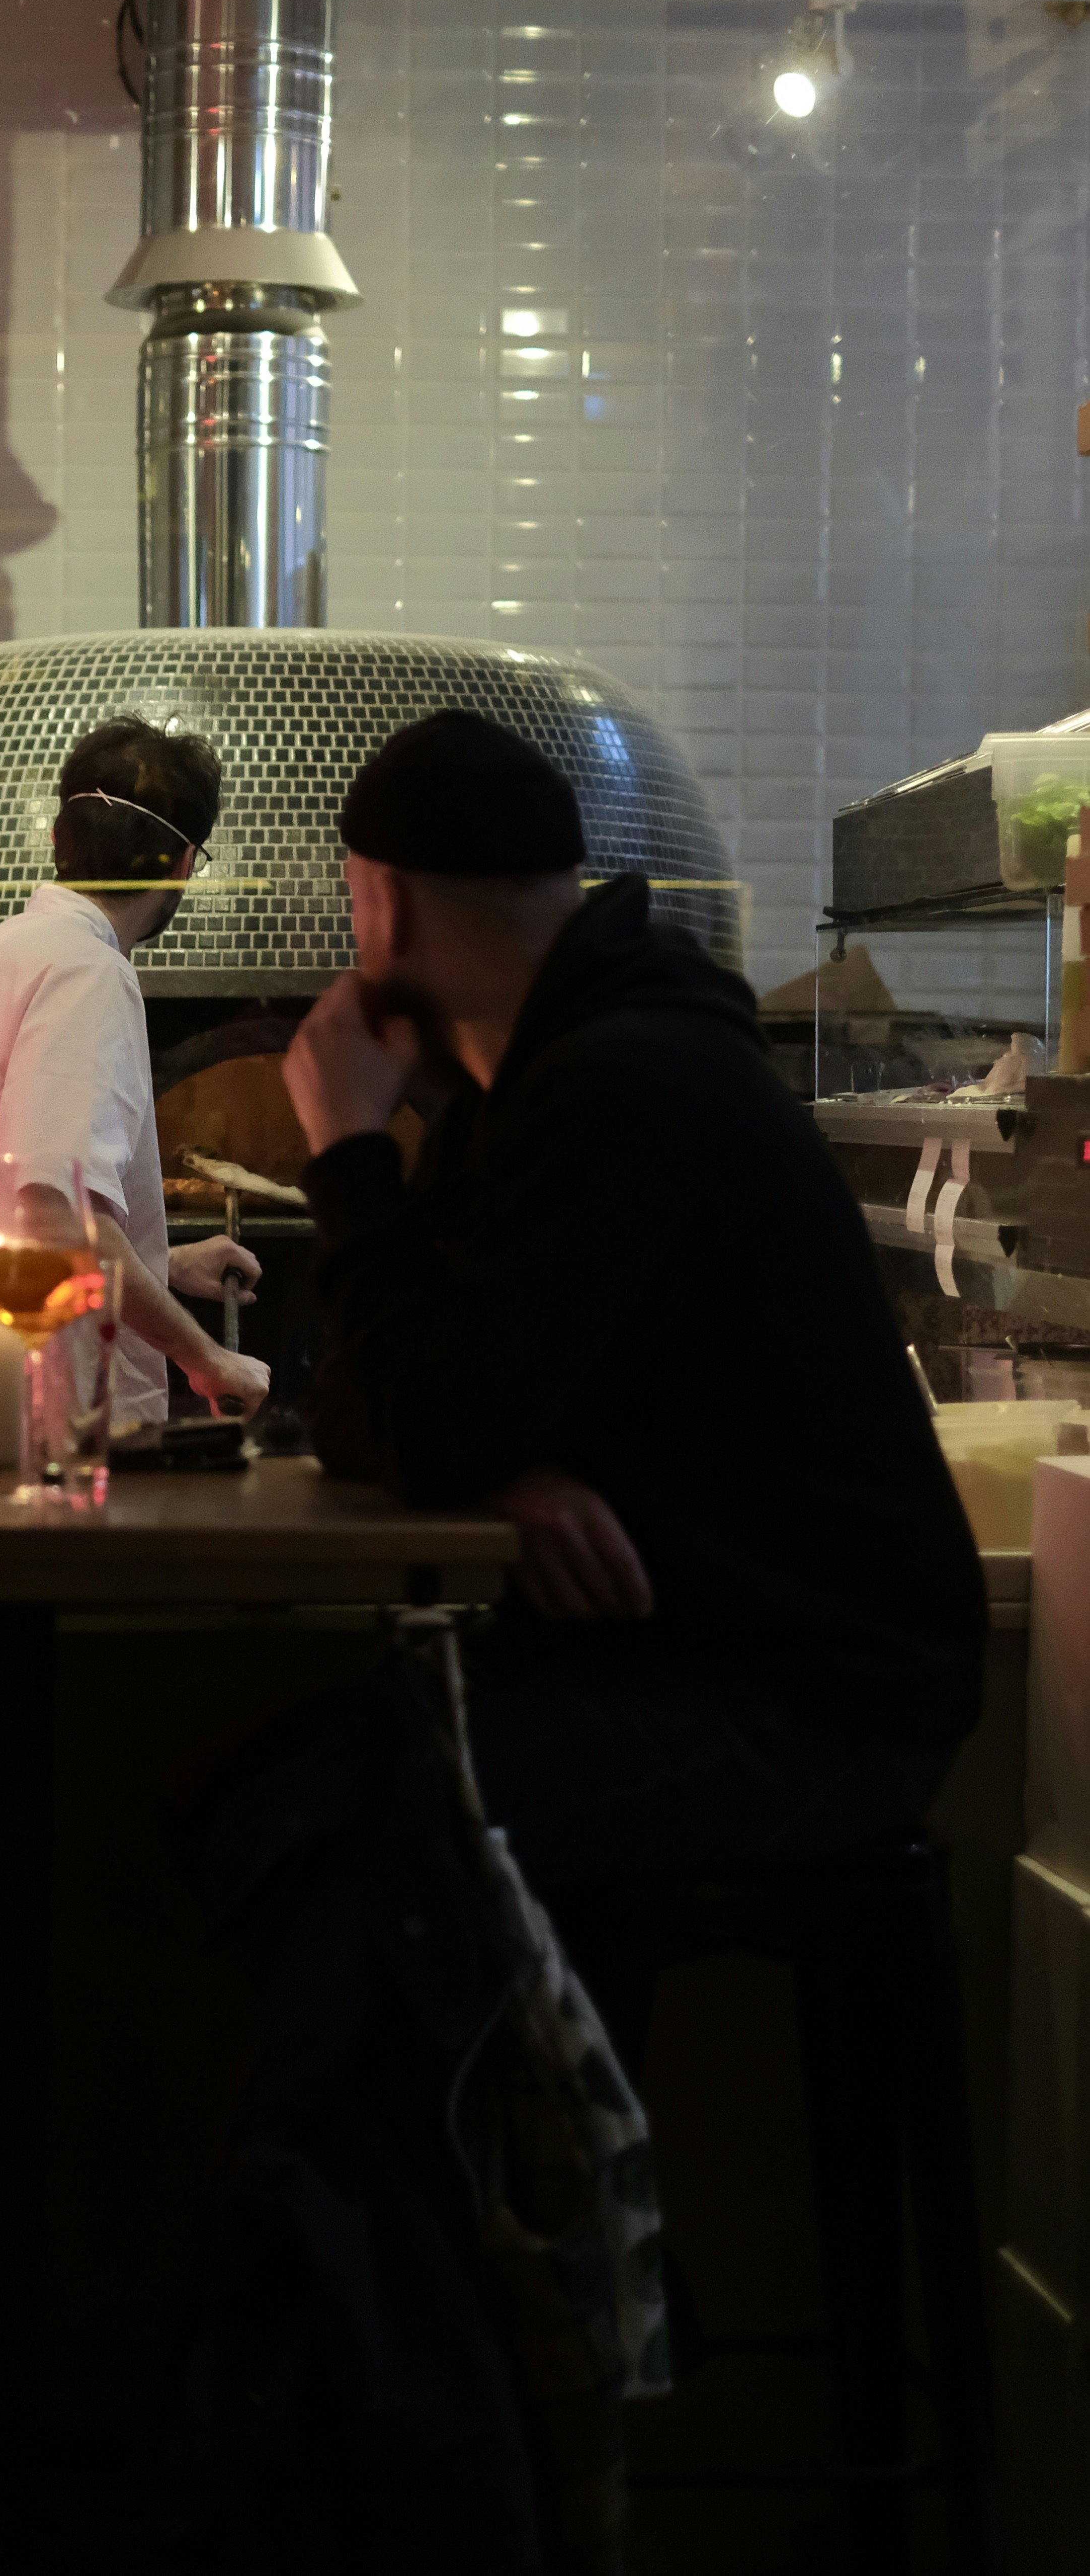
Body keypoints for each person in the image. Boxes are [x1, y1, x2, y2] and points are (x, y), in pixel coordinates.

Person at [283, 709, 984, 2041]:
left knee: (373, 1804)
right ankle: (426, 2239)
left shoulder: (624, 1086)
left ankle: (495, 2242)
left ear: (379, 905)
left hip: (810, 1703)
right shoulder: (529, 1087)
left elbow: (425, 1422)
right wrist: (509, 1468)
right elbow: (362, 1408)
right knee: (322, 1777)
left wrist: (344, 1150)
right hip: (706, 1658)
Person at [0, 714, 271, 1458]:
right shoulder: (87, 972)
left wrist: (162, 1263)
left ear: (60, 839)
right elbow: (58, 1220)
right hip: (32, 1446)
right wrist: (207, 1357)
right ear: (183, 863)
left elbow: (8, 1205)